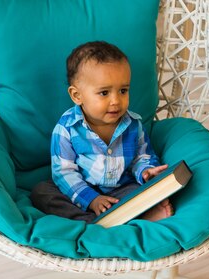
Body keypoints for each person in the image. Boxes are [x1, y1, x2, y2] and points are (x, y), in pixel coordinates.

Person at [31, 41, 173, 224]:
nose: (116, 101)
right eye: (104, 93)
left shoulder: (133, 125)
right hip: (82, 187)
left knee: (145, 193)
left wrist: (146, 172)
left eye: (123, 90)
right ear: (77, 96)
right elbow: (64, 172)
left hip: (121, 187)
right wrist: (91, 199)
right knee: (42, 192)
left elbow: (142, 157)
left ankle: (126, 215)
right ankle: (98, 221)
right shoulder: (66, 129)